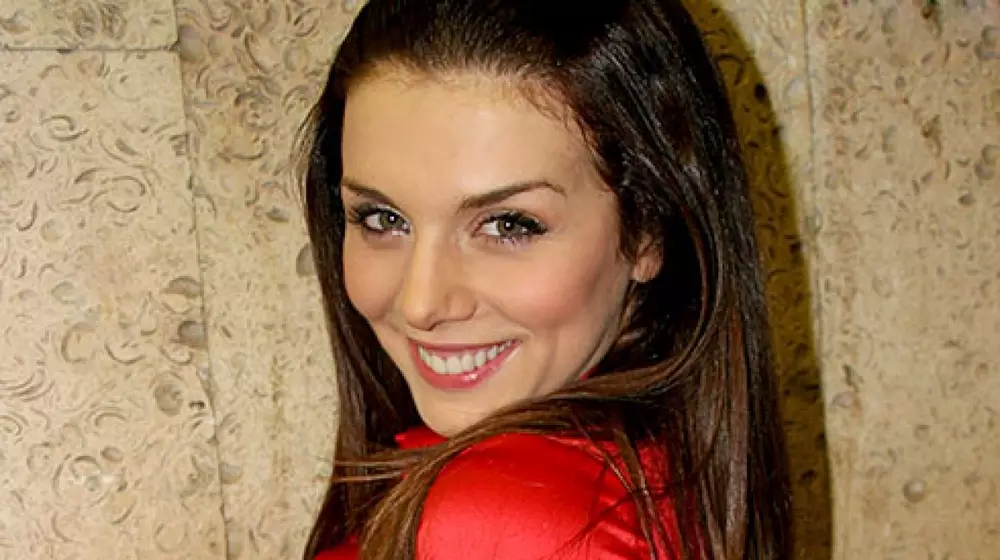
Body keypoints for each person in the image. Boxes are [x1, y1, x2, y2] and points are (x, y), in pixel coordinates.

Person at [299, 0, 792, 558]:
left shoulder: (512, 515)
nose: (421, 302)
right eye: (383, 220)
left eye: (508, 225)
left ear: (647, 232)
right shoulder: (654, 468)